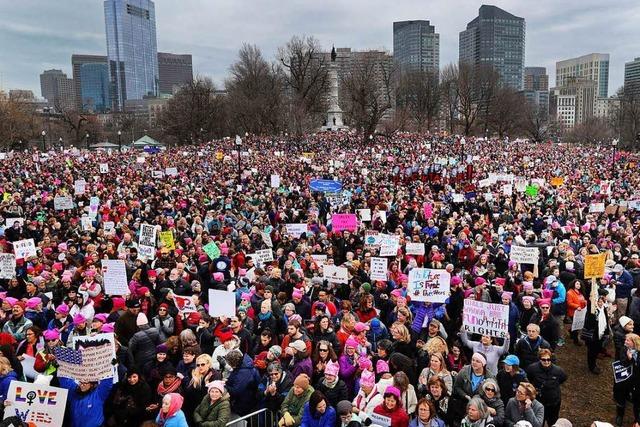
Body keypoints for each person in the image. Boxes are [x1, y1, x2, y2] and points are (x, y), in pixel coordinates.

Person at [525, 349, 566, 426]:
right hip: (539, 402)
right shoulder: (532, 368)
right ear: (539, 359)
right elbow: (529, 378)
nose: (546, 361)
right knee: (539, 422)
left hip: (554, 402)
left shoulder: (558, 370)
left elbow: (563, 378)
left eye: (548, 359)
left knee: (553, 422)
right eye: (544, 359)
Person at [452, 353, 495, 422]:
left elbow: (493, 394)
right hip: (463, 404)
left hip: (480, 407)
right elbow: (457, 387)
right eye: (473, 360)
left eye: (477, 361)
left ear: (483, 364)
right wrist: (465, 395)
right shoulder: (464, 371)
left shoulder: (489, 376)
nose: (474, 363)